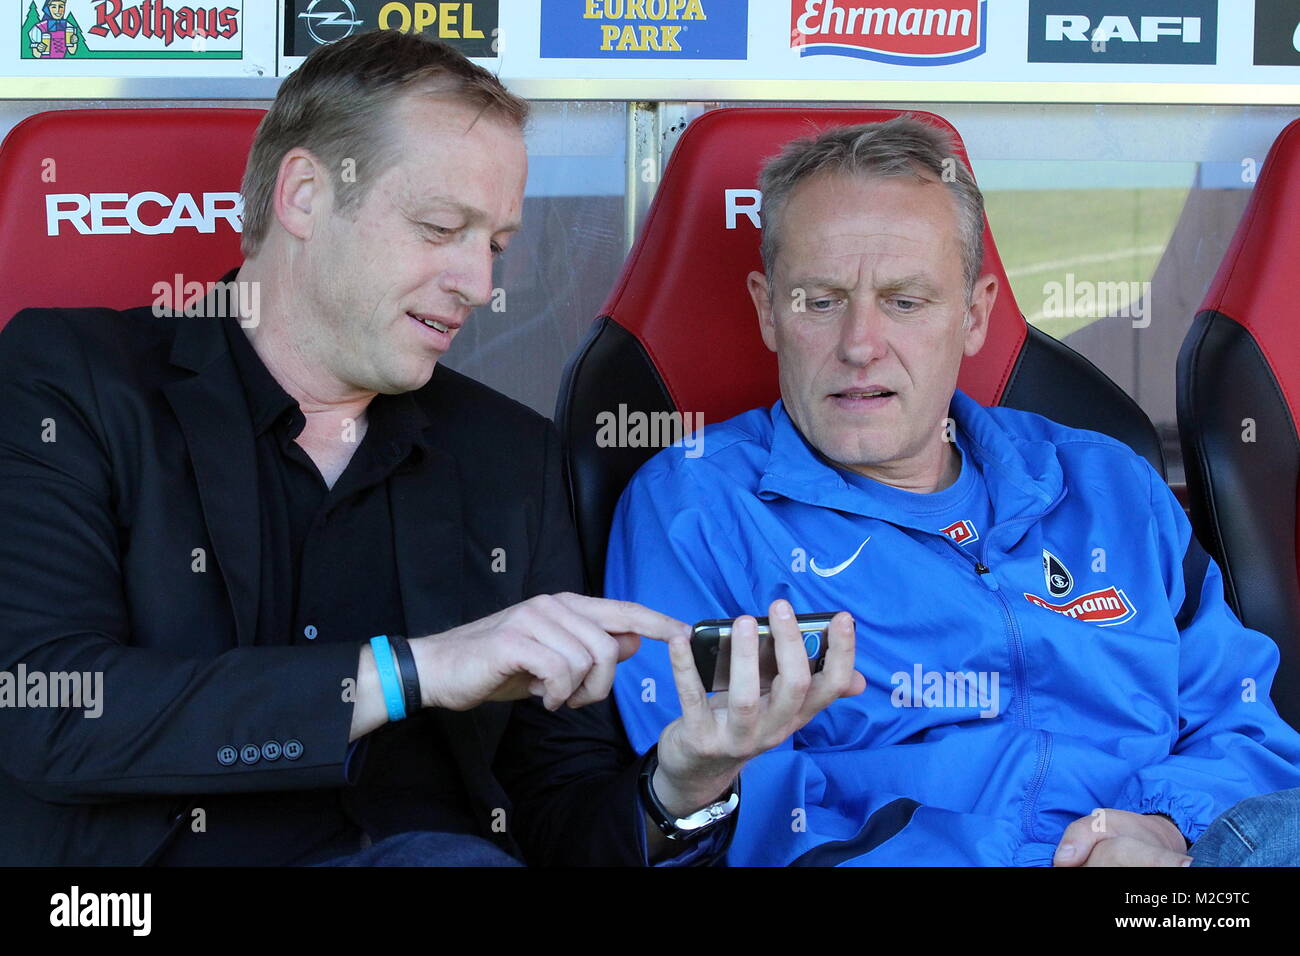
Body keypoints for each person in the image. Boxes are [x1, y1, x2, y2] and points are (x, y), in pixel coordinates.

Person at [0, 30, 861, 866]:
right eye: (440, 227)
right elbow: (47, 708)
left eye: (495, 245)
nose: (480, 285)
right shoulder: (70, 382)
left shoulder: (510, 457)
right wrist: (413, 670)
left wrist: (686, 781)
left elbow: (556, 811)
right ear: (304, 196)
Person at [606, 116, 1300, 866]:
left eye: (906, 301)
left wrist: (1163, 828)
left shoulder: (1109, 485)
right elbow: (715, 815)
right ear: (767, 308)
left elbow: (1245, 721)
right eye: (820, 300)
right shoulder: (697, 511)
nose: (861, 343)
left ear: (974, 316)